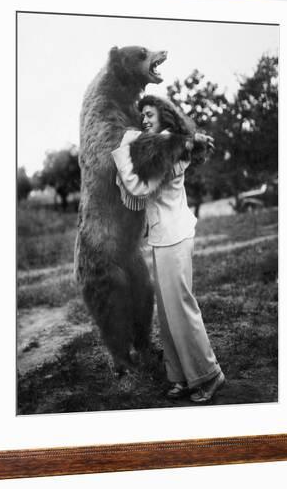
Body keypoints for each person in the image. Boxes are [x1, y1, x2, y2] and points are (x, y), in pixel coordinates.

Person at [111, 95, 225, 402]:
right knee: (168, 313)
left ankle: (209, 374)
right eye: (143, 115)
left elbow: (138, 187)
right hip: (164, 237)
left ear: (164, 116)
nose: (144, 119)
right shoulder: (165, 145)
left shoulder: (169, 147)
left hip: (174, 236)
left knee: (182, 309)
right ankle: (182, 376)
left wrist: (121, 151)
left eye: (149, 114)